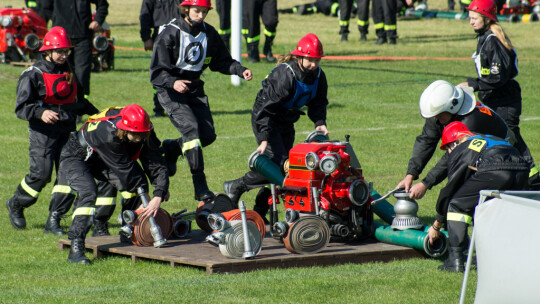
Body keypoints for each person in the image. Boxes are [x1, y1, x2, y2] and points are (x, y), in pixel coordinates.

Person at [150, 0, 253, 204]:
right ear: (186, 9)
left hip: (195, 89)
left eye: (205, 12)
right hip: (170, 90)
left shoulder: (209, 33)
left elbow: (221, 61)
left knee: (206, 136)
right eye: (197, 11)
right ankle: (200, 186)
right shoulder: (169, 33)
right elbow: (156, 72)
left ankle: (172, 148)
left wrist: (240, 70)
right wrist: (173, 82)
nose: (201, 15)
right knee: (191, 130)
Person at [222, 33, 329, 221]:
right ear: (300, 56)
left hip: (286, 120)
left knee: (288, 168)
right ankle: (237, 186)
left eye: (317, 60)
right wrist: (264, 138)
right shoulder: (285, 75)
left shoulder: (319, 76)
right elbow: (266, 109)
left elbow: (319, 103)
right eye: (310, 60)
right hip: (266, 117)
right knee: (278, 163)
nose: (313, 64)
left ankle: (260, 211)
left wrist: (320, 123)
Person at [6, 27, 99, 234]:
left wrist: (99, 116)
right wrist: (41, 113)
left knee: (68, 176)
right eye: (59, 51)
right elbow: (21, 107)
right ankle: (17, 204)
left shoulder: (70, 72)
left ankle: (53, 220)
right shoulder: (33, 74)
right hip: (43, 133)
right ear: (47, 51)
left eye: (66, 51)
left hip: (67, 132)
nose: (64, 55)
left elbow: (80, 101)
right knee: (42, 175)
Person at [58, 105, 169, 264]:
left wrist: (160, 192)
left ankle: (128, 231)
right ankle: (77, 246)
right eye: (135, 135)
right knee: (89, 192)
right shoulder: (108, 134)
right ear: (124, 129)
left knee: (136, 186)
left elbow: (156, 163)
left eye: (143, 134)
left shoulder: (144, 130)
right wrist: (148, 196)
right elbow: (126, 170)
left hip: (106, 159)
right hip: (78, 156)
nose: (139, 138)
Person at [459, 0, 539, 189]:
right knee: (504, 139)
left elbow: (498, 76)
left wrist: (473, 83)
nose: (471, 22)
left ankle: (532, 178)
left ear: (486, 18)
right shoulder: (485, 37)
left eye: (474, 18)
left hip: (505, 101)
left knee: (511, 139)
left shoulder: (493, 41)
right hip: (496, 100)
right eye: (470, 18)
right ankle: (524, 177)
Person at [427, 122, 529, 272]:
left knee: (457, 205)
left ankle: (456, 260)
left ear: (455, 142)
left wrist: (437, 225)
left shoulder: (463, 148)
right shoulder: (490, 138)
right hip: (521, 170)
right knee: (490, 208)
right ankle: (490, 256)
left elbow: (451, 189)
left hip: (497, 170)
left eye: (448, 148)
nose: (448, 153)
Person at [396, 80, 509, 200]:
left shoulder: (471, 122)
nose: (436, 119)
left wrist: (425, 183)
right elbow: (426, 141)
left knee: (464, 193)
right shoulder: (442, 112)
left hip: (505, 160)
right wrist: (410, 174)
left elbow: (454, 156)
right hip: (483, 155)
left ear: (452, 107)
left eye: (439, 115)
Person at [42, 0, 109, 100]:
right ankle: (62, 99)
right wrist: (56, 19)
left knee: (82, 71)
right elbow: (45, 6)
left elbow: (102, 4)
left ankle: (81, 101)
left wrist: (98, 20)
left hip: (83, 35)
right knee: (63, 70)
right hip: (62, 38)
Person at [139, 0, 182, 117]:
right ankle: (159, 108)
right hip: (160, 34)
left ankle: (179, 107)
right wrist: (146, 37)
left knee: (180, 71)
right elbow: (145, 14)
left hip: (181, 33)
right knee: (160, 72)